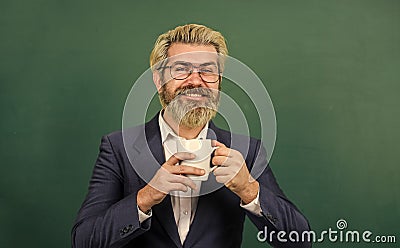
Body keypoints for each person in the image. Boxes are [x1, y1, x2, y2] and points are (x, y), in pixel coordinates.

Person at [72, 24, 311, 248]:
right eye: (181, 69)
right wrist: (146, 197)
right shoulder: (119, 148)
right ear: (159, 80)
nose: (195, 80)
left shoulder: (247, 151)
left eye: (207, 71)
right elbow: (83, 241)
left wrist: (249, 189)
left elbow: (300, 241)